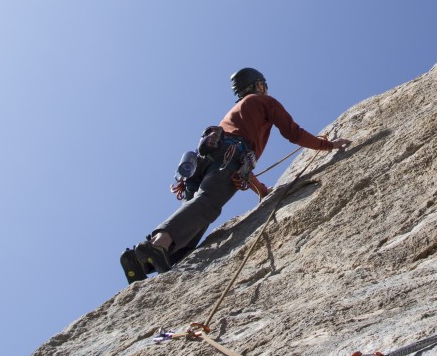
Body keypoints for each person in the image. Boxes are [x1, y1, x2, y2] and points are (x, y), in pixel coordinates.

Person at [120, 68, 350, 283]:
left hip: (207, 160)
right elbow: (292, 133)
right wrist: (327, 145)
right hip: (230, 157)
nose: (266, 90)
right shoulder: (264, 101)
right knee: (208, 204)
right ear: (258, 85)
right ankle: (157, 245)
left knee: (199, 215)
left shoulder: (234, 113)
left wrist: (260, 189)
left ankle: (145, 262)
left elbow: (240, 166)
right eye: (265, 86)